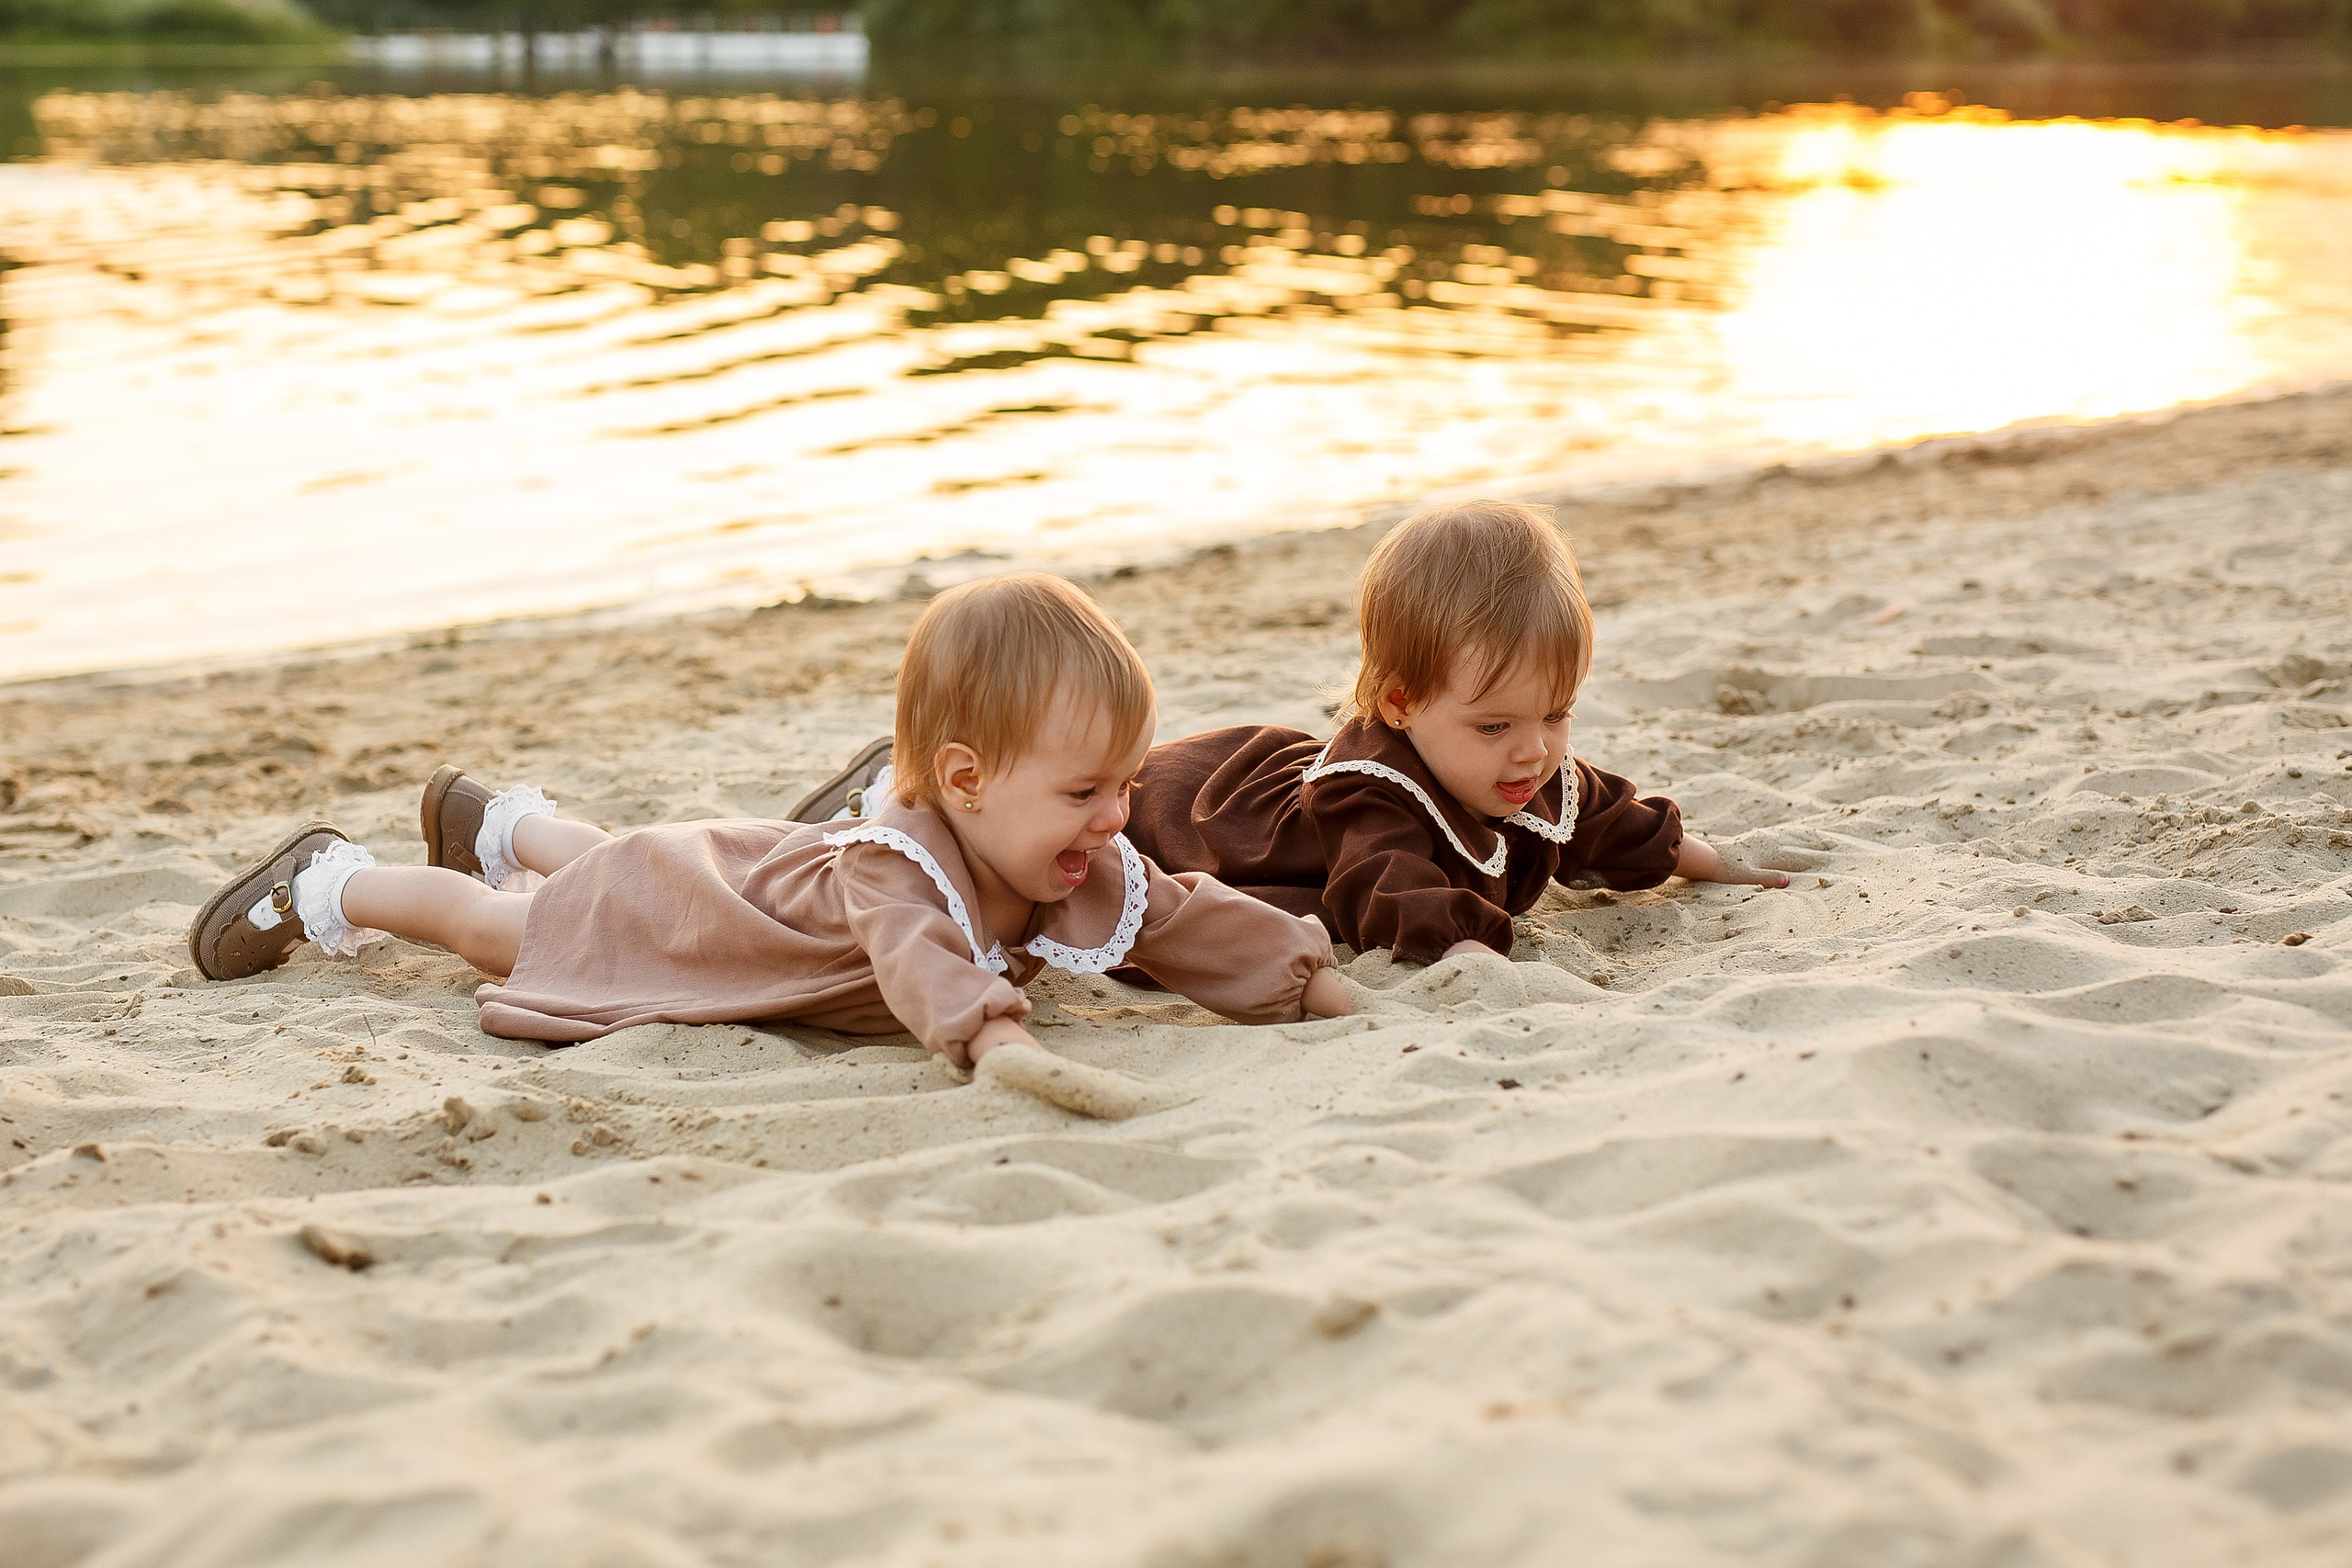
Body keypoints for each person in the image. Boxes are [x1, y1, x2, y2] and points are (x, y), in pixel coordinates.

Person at [185, 575, 1353, 1067]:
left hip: (724, 884)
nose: (1117, 818)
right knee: (503, 928)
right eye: (1086, 791)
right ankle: (336, 881)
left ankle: (507, 817)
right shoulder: (905, 877)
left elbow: (1185, 921)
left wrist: (1314, 986)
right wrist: (994, 1036)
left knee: (607, 871)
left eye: (1122, 785)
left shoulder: (1067, 854)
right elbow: (921, 965)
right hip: (699, 904)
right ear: (964, 779)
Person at [1122, 500, 1788, 964]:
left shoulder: (1525, 760)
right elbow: (1393, 890)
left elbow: (1617, 820)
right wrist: (1467, 948)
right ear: (1401, 702)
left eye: (1556, 713)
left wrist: (1728, 867)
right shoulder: (1371, 796)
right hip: (1203, 811)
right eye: (1494, 724)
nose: (1535, 748)